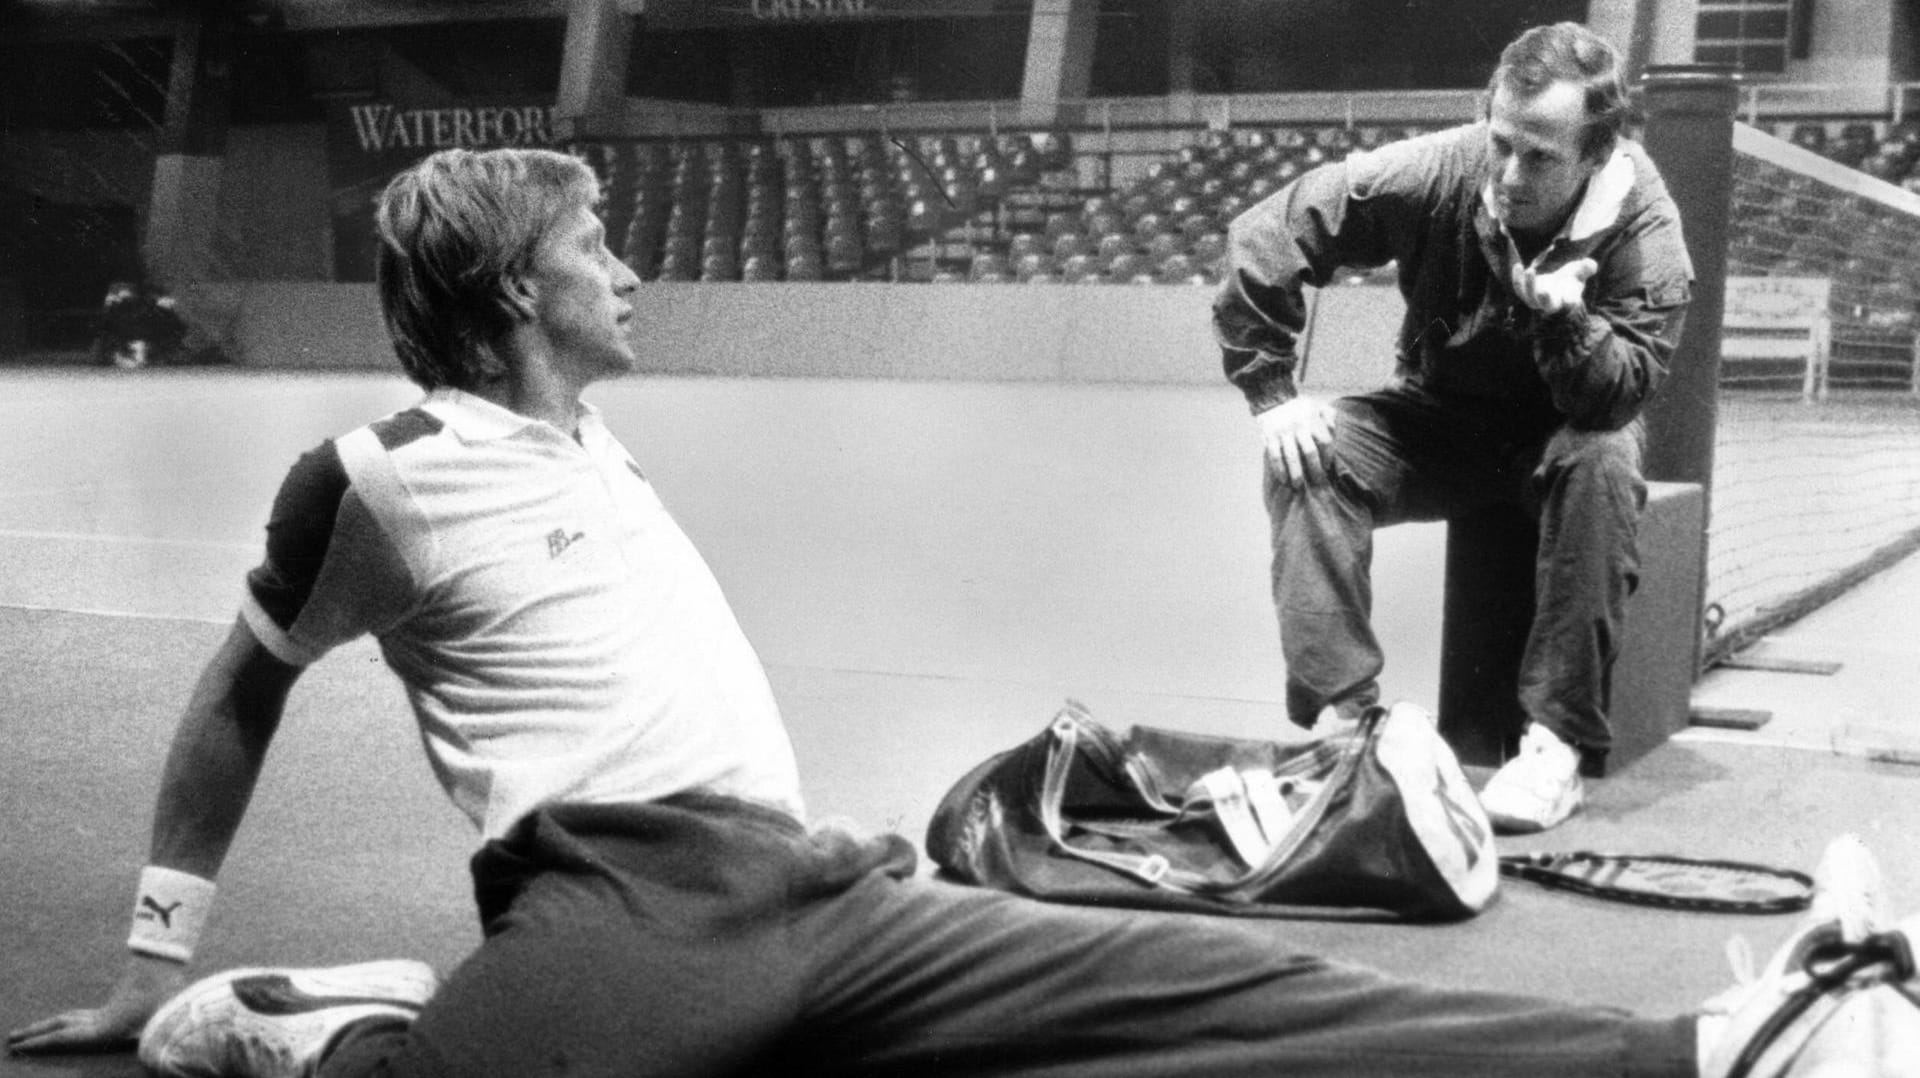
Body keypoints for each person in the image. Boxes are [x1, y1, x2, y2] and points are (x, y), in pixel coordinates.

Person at [5, 144, 1914, 1078]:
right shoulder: (380, 473)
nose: (632, 263)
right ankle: (298, 1027)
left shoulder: (592, 442)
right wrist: (157, 955)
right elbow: (239, 688)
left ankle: (1722, 1052)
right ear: (514, 287)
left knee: (1228, 998)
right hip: (623, 903)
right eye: (595, 244)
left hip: (809, 879)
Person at [1213, 22, 1694, 834]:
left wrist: (1566, 321)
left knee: (1605, 461)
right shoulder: (1441, 168)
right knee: (1310, 454)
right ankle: (1349, 724)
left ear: (1597, 150)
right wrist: (1270, 388)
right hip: (1442, 421)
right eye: (1502, 141)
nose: (1509, 174)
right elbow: (1273, 227)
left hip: (1563, 432)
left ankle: (1555, 745)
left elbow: (1612, 400)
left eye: (1540, 157)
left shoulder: (1647, 230)